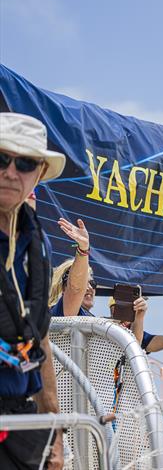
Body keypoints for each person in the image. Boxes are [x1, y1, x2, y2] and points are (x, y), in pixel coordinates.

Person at [0, 112, 64, 469]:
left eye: (24, 163)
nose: (11, 172)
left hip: (22, 420)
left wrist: (54, 430)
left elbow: (39, 337)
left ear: (38, 172)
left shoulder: (36, 245)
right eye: (1, 158)